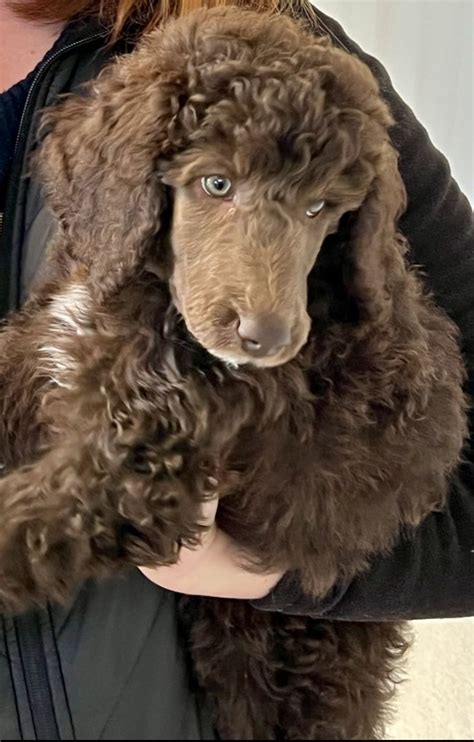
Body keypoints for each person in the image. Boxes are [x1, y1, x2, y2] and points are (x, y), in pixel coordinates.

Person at [0, 0, 472, 738]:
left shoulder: (285, 70)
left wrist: (283, 571)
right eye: (216, 185)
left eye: (319, 206)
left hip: (235, 682)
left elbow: (120, 496)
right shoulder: (121, 203)